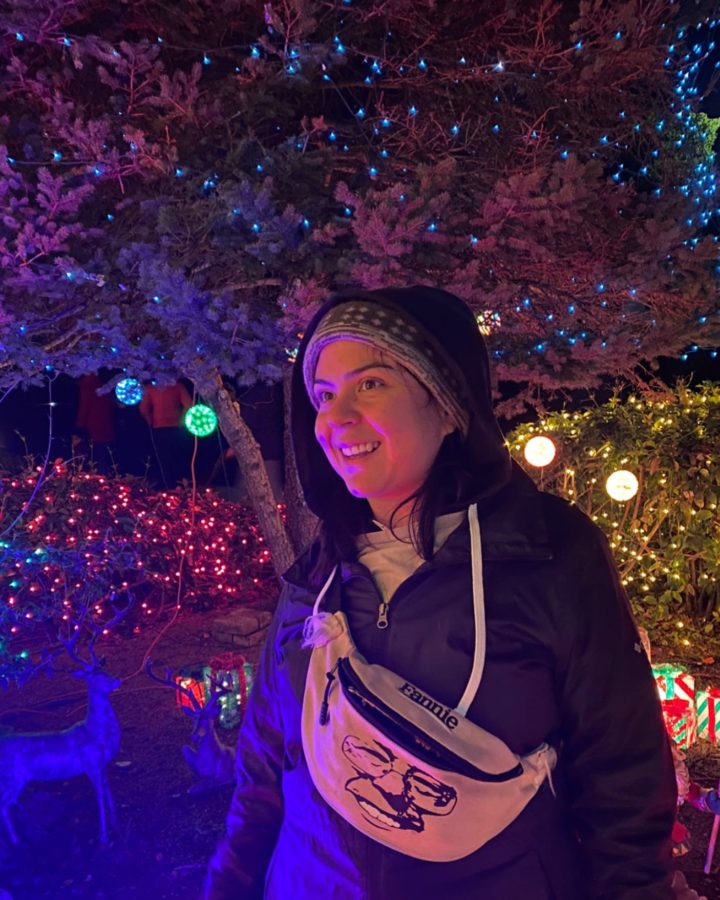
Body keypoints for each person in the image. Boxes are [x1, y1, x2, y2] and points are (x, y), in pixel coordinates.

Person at [205, 286, 676, 899]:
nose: (336, 417)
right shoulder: (317, 577)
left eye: (371, 383)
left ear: (449, 405)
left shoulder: (549, 554)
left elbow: (623, 778)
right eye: (323, 395)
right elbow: (265, 772)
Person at [138, 380, 192, 488]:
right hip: (176, 426)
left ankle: (169, 486)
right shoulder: (178, 386)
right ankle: (185, 484)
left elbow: (143, 408)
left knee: (164, 459)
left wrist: (149, 420)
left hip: (159, 426)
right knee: (180, 456)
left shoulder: (150, 388)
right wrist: (182, 420)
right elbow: (188, 404)